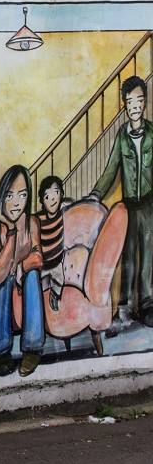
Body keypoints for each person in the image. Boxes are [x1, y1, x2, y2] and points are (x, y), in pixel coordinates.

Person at [88, 76, 153, 331]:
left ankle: (147, 305)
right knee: (126, 257)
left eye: (139, 100)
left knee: (148, 256)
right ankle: (124, 309)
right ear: (124, 105)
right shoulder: (122, 137)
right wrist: (96, 193)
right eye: (130, 102)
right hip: (128, 207)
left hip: (149, 205)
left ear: (145, 102)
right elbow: (111, 169)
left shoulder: (152, 133)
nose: (135, 106)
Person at [0, 165, 45, 376]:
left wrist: (20, 266)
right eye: (10, 195)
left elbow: (37, 257)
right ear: (1, 198)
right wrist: (11, 233)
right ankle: (0, 353)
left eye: (23, 195)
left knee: (32, 275)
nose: (16, 202)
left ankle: (32, 348)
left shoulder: (32, 223)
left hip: (25, 281)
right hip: (7, 284)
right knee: (5, 281)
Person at [35, 176, 67, 313]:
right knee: (36, 289)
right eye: (47, 196)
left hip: (56, 262)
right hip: (42, 264)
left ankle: (55, 297)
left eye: (56, 193)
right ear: (42, 200)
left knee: (59, 279)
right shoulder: (37, 219)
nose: (53, 199)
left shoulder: (63, 213)